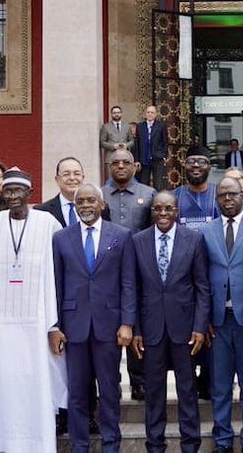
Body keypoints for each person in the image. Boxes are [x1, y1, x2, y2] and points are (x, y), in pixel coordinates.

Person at [0, 168, 67, 453]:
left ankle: (39, 445)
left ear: (29, 193)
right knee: (3, 386)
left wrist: (53, 323)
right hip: (0, 324)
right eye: (7, 191)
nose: (11, 196)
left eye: (17, 191)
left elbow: (56, 273)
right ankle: (0, 444)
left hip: (37, 323)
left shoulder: (48, 223)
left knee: (36, 384)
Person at [52, 184, 136, 453]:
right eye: (80, 202)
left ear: (102, 204)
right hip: (73, 326)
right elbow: (56, 284)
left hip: (109, 326)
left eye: (91, 201)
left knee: (110, 390)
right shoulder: (61, 238)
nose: (86, 206)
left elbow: (128, 282)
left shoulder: (121, 236)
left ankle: (111, 445)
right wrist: (55, 326)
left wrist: (127, 322)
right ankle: (79, 446)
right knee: (77, 392)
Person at [129, 190, 210, 453]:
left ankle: (190, 445)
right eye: (157, 209)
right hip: (150, 329)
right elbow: (134, 287)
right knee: (154, 392)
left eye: (168, 209)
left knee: (187, 391)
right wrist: (136, 329)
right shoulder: (138, 241)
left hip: (184, 329)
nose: (163, 213)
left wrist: (199, 327)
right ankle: (155, 444)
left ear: (177, 212)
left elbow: (202, 287)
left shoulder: (194, 240)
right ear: (151, 212)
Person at [204, 177, 243, 453]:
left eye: (233, 194)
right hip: (218, 322)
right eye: (222, 195)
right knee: (220, 387)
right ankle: (223, 440)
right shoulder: (206, 231)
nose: (227, 199)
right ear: (216, 200)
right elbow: (201, 279)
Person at [100, 148, 155, 400]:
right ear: (109, 166)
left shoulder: (148, 194)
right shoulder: (99, 195)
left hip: (140, 270)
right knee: (112, 324)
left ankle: (139, 380)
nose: (120, 166)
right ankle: (113, 379)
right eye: (115, 163)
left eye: (126, 162)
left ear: (135, 166)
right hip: (107, 272)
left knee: (137, 324)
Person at [172, 145, 219, 399]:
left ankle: (209, 380)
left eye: (202, 161)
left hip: (213, 276)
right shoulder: (174, 197)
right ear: (184, 165)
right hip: (183, 281)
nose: (197, 166)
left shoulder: (219, 195)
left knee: (212, 331)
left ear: (210, 166)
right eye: (191, 161)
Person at [37, 157, 87, 228]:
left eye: (77, 174)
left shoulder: (97, 208)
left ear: (83, 178)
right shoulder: (42, 211)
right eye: (66, 174)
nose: (72, 178)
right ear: (57, 180)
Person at [132, 105, 170, 191]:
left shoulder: (161, 126)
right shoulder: (140, 126)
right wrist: (136, 160)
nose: (150, 114)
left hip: (157, 158)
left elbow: (165, 142)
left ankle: (158, 202)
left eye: (152, 112)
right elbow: (137, 143)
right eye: (148, 112)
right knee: (144, 183)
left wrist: (164, 156)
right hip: (144, 158)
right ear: (145, 114)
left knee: (158, 184)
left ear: (156, 114)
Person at [100, 105, 135, 181]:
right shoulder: (106, 127)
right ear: (111, 114)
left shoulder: (127, 126)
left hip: (125, 158)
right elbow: (102, 142)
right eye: (114, 113)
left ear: (121, 114)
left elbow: (132, 141)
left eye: (118, 112)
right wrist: (113, 146)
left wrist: (126, 145)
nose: (116, 114)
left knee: (125, 181)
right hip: (111, 159)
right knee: (110, 181)